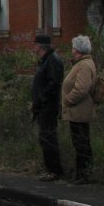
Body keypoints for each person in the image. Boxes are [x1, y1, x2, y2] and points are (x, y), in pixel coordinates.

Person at [62, 35, 98, 185]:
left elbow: (82, 88)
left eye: (73, 47)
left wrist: (68, 99)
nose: (71, 50)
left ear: (77, 50)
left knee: (81, 142)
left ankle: (84, 174)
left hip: (79, 110)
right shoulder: (82, 63)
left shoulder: (84, 65)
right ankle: (82, 173)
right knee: (80, 141)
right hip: (77, 111)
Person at [31, 34, 65, 181]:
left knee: (48, 137)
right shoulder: (46, 60)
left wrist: (41, 99)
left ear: (40, 46)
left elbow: (53, 84)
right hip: (43, 106)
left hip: (48, 107)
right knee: (45, 138)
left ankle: (54, 171)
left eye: (35, 44)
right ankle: (51, 169)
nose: (33, 47)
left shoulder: (52, 61)